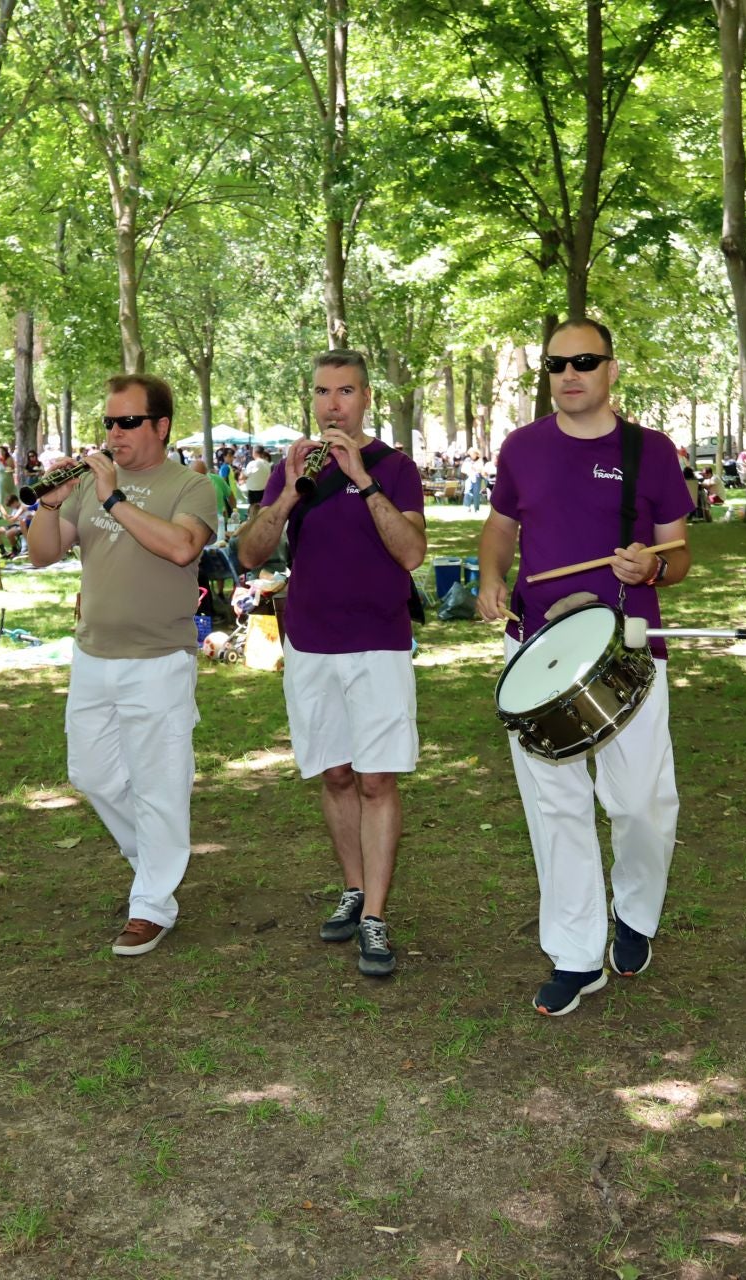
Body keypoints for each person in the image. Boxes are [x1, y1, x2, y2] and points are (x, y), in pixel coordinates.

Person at [475, 318, 694, 1017]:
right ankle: (575, 953)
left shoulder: (650, 452)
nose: (569, 374)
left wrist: (654, 564)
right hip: (539, 650)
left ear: (611, 369)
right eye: (556, 364)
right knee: (556, 808)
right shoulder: (522, 448)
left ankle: (634, 912)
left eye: (584, 361)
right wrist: (489, 576)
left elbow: (680, 553)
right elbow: (502, 527)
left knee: (642, 805)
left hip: (627, 648)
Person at [236, 350, 427, 979]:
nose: (332, 404)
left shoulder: (395, 468)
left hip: (378, 642)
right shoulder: (294, 468)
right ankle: (352, 888)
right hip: (310, 642)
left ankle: (375, 914)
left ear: (366, 397)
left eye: (345, 391)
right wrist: (290, 491)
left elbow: (411, 554)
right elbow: (250, 554)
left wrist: (362, 480)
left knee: (377, 778)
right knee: (338, 774)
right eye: (322, 392)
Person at [26, 374, 216, 958]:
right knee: (91, 774)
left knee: (159, 785)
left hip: (159, 660)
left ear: (161, 426)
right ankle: (155, 862)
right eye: (109, 422)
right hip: (93, 655)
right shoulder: (87, 484)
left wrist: (113, 497)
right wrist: (50, 502)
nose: (115, 432)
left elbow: (183, 548)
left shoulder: (192, 486)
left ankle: (153, 903)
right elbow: (42, 554)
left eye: (128, 422)